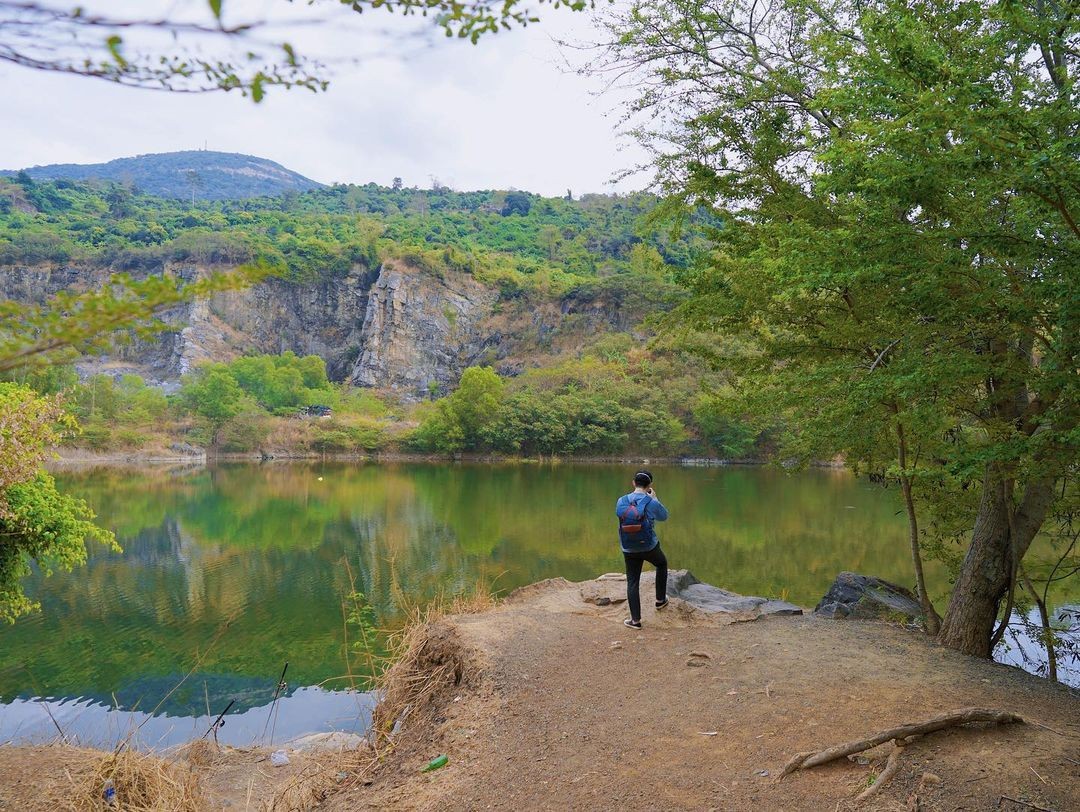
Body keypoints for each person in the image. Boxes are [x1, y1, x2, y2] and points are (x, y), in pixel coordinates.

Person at [615, 470, 669, 629]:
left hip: (628, 547)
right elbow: (664, 516)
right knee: (661, 564)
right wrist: (654, 499)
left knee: (632, 581)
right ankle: (660, 600)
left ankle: (635, 621)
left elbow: (619, 515)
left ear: (633, 483)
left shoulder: (621, 500)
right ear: (649, 485)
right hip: (648, 545)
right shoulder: (650, 501)